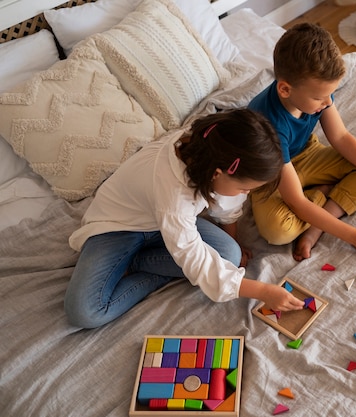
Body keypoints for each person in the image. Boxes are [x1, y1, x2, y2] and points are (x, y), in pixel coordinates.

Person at [65, 109, 304, 328]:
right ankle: (133, 263)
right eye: (245, 189)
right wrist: (262, 291)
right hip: (118, 227)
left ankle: (137, 262)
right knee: (86, 312)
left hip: (163, 224)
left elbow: (227, 203)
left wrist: (235, 242)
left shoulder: (209, 148)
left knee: (229, 255)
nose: (247, 194)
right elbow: (193, 254)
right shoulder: (175, 198)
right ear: (216, 174)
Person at [248, 23, 356, 261]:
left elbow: (341, 137)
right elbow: (297, 202)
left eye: (329, 95)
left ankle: (315, 228)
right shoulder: (268, 124)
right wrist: (355, 237)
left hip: (306, 155)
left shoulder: (318, 92)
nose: (326, 103)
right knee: (278, 230)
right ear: (284, 89)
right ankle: (327, 192)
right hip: (271, 175)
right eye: (319, 98)